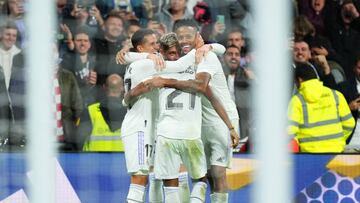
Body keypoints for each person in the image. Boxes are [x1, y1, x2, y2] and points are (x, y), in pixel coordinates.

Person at [147, 19, 240, 203]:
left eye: (188, 36)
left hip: (221, 119)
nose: (183, 40)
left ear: (198, 36)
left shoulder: (206, 56)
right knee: (201, 173)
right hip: (198, 122)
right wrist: (137, 54)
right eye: (180, 37)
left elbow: (201, 85)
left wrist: (210, 48)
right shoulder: (184, 61)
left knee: (218, 172)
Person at [288, 62, 355, 153]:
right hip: (336, 152)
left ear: (299, 80)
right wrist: (337, 140)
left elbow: (290, 132)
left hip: (309, 156)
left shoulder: (296, 101)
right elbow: (349, 123)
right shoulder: (336, 95)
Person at [79, 74, 126, 152]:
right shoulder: (129, 112)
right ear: (122, 88)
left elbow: (79, 139)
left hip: (94, 160)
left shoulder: (90, 110)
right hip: (122, 160)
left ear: (104, 87)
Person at [223, 45, 254, 142]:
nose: (233, 57)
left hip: (243, 126)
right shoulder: (218, 75)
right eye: (230, 54)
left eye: (237, 54)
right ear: (223, 58)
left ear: (240, 58)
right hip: (222, 123)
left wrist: (253, 80)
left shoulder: (247, 75)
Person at [61, 29, 97, 107]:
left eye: (85, 41)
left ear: (90, 44)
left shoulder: (96, 61)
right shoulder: (66, 60)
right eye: (79, 40)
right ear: (73, 43)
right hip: (73, 103)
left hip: (93, 103)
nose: (82, 43)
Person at [337, 55, 360, 152]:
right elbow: (333, 113)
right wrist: (348, 108)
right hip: (352, 140)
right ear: (354, 69)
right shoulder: (343, 87)